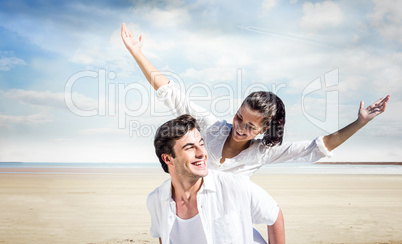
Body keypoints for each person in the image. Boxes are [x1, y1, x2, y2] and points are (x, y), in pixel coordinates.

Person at [121, 23, 390, 176]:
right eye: (240, 117)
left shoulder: (263, 153)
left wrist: (360, 123)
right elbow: (170, 92)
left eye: (251, 126)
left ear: (265, 129)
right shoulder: (211, 126)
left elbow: (317, 147)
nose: (239, 127)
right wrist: (136, 53)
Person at [147, 114, 285, 243]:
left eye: (201, 144)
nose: (202, 153)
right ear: (167, 158)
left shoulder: (235, 186)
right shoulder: (156, 200)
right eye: (190, 148)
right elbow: (163, 236)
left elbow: (274, 214)